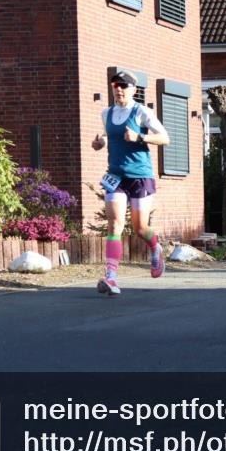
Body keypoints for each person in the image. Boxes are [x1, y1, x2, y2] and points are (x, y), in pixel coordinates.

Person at [92, 70, 170, 296]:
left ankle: (155, 248)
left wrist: (141, 137)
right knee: (115, 223)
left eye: (123, 86)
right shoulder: (106, 113)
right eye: (115, 85)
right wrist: (101, 143)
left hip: (139, 175)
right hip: (115, 176)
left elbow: (165, 138)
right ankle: (112, 277)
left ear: (133, 90)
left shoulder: (141, 112)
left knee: (139, 228)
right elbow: (112, 138)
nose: (118, 89)